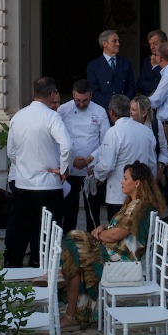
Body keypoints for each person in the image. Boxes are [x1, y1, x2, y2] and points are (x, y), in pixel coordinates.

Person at [59, 162, 164, 327]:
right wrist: (104, 228)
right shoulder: (134, 203)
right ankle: (72, 310)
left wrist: (101, 235)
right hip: (112, 254)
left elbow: (118, 233)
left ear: (137, 183)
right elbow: (115, 228)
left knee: (74, 240)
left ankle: (69, 303)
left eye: (125, 178)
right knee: (75, 248)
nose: (121, 181)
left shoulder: (139, 206)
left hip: (120, 261)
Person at [3, 77, 72, 267]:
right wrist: (64, 170)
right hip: (48, 185)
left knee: (19, 231)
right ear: (52, 94)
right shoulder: (51, 116)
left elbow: (11, 152)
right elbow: (67, 145)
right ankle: (41, 267)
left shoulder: (18, 116)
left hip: (24, 184)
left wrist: (26, 165)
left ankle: (12, 269)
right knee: (47, 233)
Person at [89, 95, 155, 223]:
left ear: (111, 112)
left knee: (117, 235)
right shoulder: (146, 131)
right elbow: (151, 164)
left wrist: (96, 173)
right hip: (141, 193)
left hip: (118, 195)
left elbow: (107, 165)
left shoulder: (113, 132)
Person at [59, 79, 108, 231]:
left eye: (85, 100)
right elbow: (58, 140)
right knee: (69, 212)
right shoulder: (62, 110)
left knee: (92, 212)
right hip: (70, 169)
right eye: (78, 100)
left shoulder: (100, 111)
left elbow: (105, 142)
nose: (81, 104)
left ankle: (93, 246)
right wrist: (71, 159)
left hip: (91, 169)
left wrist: (89, 159)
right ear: (73, 95)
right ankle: (68, 245)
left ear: (91, 95)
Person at [86, 29, 136, 112]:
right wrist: (111, 106)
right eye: (114, 41)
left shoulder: (125, 63)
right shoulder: (93, 66)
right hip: (104, 110)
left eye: (118, 41)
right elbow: (94, 91)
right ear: (104, 43)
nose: (118, 44)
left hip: (124, 110)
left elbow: (131, 87)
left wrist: (124, 104)